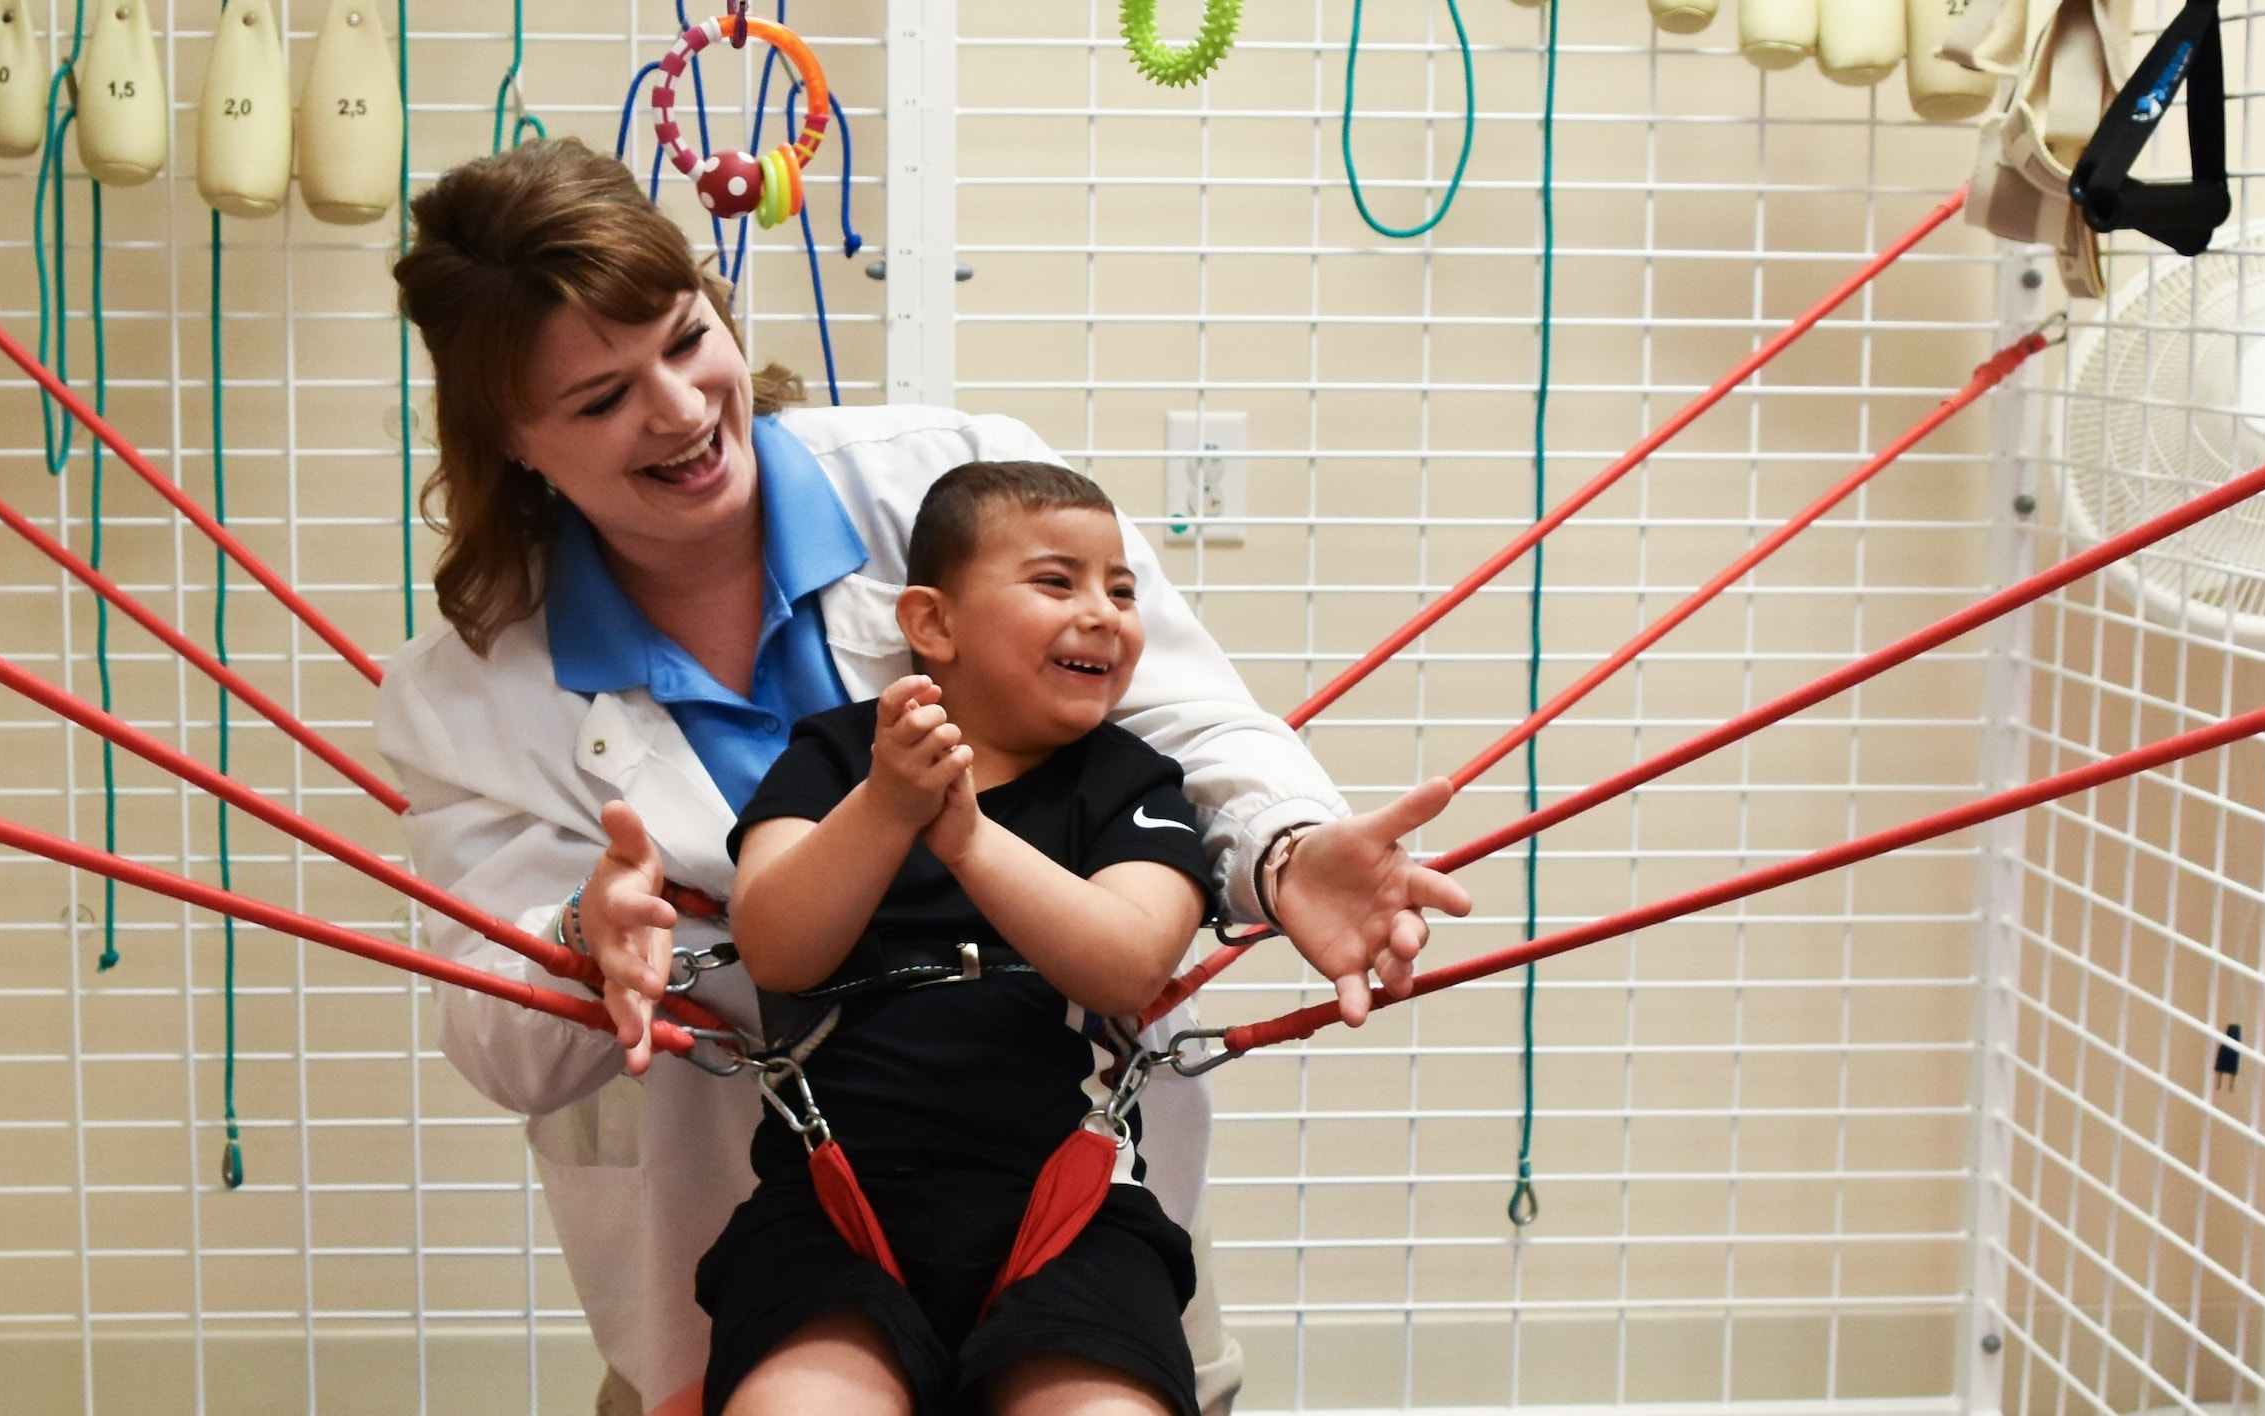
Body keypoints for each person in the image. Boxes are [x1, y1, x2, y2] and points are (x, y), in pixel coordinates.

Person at [377, 140, 1473, 1416]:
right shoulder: (466, 697)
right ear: (511, 438)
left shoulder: (955, 485)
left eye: (686, 340)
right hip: (756, 1241)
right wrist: (574, 942)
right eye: (601, 398)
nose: (678, 410)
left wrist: (1282, 853)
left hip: (1061, 1191)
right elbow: (501, 1032)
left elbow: (1188, 734)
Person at [700, 463, 1214, 1416]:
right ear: (933, 625)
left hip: (1068, 1207)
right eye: (1057, 582)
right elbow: (774, 945)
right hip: (833, 1205)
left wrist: (971, 842)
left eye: (1123, 589)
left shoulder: (1133, 782)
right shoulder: (834, 755)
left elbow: (1134, 960)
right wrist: (888, 804)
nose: (1103, 612)